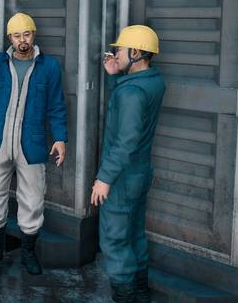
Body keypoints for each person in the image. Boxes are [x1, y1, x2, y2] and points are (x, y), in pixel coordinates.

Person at [0, 12, 68, 275]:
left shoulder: (49, 67)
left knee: (33, 199)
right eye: (16, 35)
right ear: (9, 37)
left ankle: (28, 253)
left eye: (26, 34)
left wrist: (60, 138)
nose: (22, 40)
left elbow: (57, 105)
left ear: (34, 34)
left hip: (32, 144)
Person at [91, 25, 165, 303]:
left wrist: (104, 178)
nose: (116, 54)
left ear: (135, 52)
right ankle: (141, 291)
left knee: (114, 239)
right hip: (141, 172)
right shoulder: (153, 82)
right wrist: (114, 76)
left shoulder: (131, 93)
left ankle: (125, 296)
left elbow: (125, 140)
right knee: (135, 233)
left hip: (122, 177)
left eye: (120, 50)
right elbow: (132, 111)